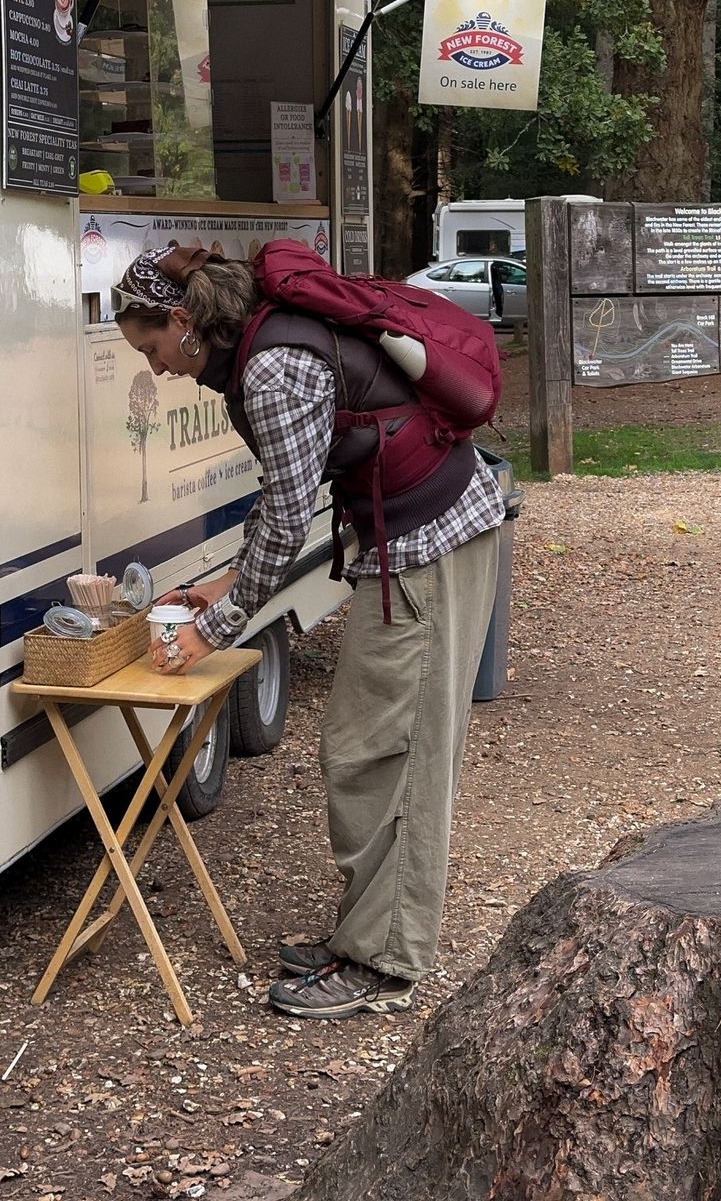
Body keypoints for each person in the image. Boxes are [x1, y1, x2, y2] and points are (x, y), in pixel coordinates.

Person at [116, 242, 505, 1020]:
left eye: (153, 348)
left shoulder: (269, 368)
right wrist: (230, 580)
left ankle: (385, 960)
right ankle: (368, 935)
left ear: (185, 321)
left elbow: (291, 515)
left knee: (394, 752)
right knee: (368, 748)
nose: (157, 369)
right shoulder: (263, 344)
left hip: (429, 547)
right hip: (410, 541)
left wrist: (218, 629)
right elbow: (287, 487)